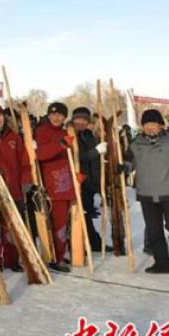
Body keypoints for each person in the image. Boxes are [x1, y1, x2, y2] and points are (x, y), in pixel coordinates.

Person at [126, 109, 169, 273]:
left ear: (161, 125)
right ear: (142, 126)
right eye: (147, 125)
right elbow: (128, 163)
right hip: (146, 193)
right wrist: (122, 168)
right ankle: (162, 263)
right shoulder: (136, 144)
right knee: (154, 230)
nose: (150, 128)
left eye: (154, 124)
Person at [0, 103, 33, 272]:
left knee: (11, 227)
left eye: (0, 114)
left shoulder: (13, 137)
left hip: (13, 190)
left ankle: (12, 259)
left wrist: (26, 180)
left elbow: (24, 161)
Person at [35, 102, 74, 272]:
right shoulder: (42, 131)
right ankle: (55, 257)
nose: (56, 117)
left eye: (60, 115)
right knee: (56, 224)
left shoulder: (66, 132)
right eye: (53, 114)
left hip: (67, 186)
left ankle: (59, 253)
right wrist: (60, 145)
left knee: (63, 224)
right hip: (52, 187)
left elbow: (73, 157)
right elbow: (40, 155)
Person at [70, 106, 109, 252]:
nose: (81, 122)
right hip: (77, 181)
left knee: (87, 214)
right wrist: (96, 151)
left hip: (89, 182)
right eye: (78, 119)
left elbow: (93, 160)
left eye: (84, 120)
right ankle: (89, 243)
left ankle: (92, 242)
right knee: (81, 214)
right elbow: (77, 157)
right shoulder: (70, 135)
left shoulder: (88, 135)